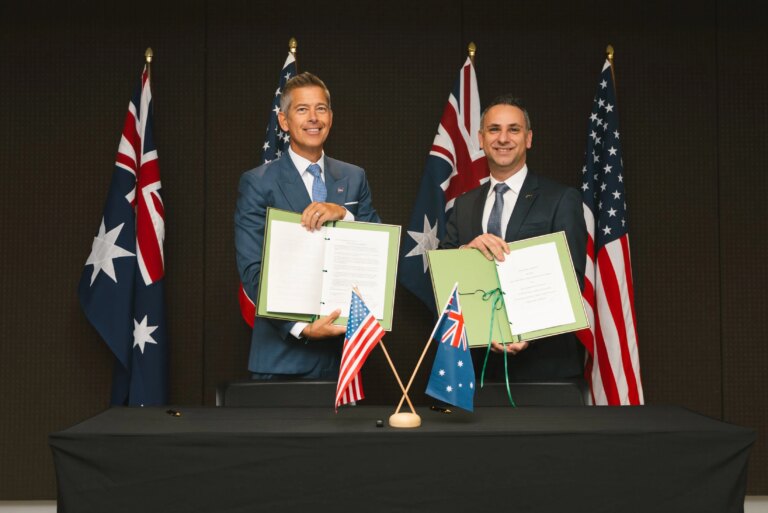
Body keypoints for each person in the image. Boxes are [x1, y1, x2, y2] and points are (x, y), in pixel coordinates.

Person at [235, 72, 380, 379]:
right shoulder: (258, 183)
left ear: (331, 117)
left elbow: (378, 251)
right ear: (284, 121)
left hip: (345, 359)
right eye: (302, 109)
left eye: (321, 109)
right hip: (282, 362)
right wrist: (301, 327)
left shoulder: (354, 177)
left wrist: (344, 214)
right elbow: (252, 271)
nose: (313, 118)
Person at [440, 95, 587, 381]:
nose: (503, 138)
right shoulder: (464, 204)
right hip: (478, 370)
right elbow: (443, 276)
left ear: (528, 138)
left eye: (514, 129)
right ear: (481, 139)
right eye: (494, 129)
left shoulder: (561, 199)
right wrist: (466, 251)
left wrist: (528, 332)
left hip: (544, 371)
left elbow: (572, 277)